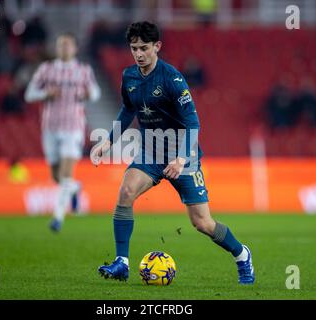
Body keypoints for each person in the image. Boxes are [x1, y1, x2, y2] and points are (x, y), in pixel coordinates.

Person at [91, 22, 255, 284]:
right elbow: (128, 110)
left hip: (183, 156)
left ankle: (241, 254)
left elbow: (193, 123)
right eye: (134, 48)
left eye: (144, 48)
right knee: (125, 192)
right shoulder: (129, 77)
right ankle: (122, 263)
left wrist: (180, 158)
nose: (138, 54)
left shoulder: (173, 79)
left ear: (157, 47)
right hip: (151, 152)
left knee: (202, 223)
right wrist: (109, 141)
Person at [25, 32, 101, 232]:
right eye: (61, 45)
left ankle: (57, 218)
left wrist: (88, 93)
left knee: (66, 174)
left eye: (68, 45)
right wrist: (45, 93)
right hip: (50, 127)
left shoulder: (83, 70)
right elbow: (29, 94)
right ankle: (75, 188)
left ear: (75, 48)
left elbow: (95, 93)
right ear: (57, 49)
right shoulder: (46, 69)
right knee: (57, 177)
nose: (64, 49)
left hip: (73, 127)